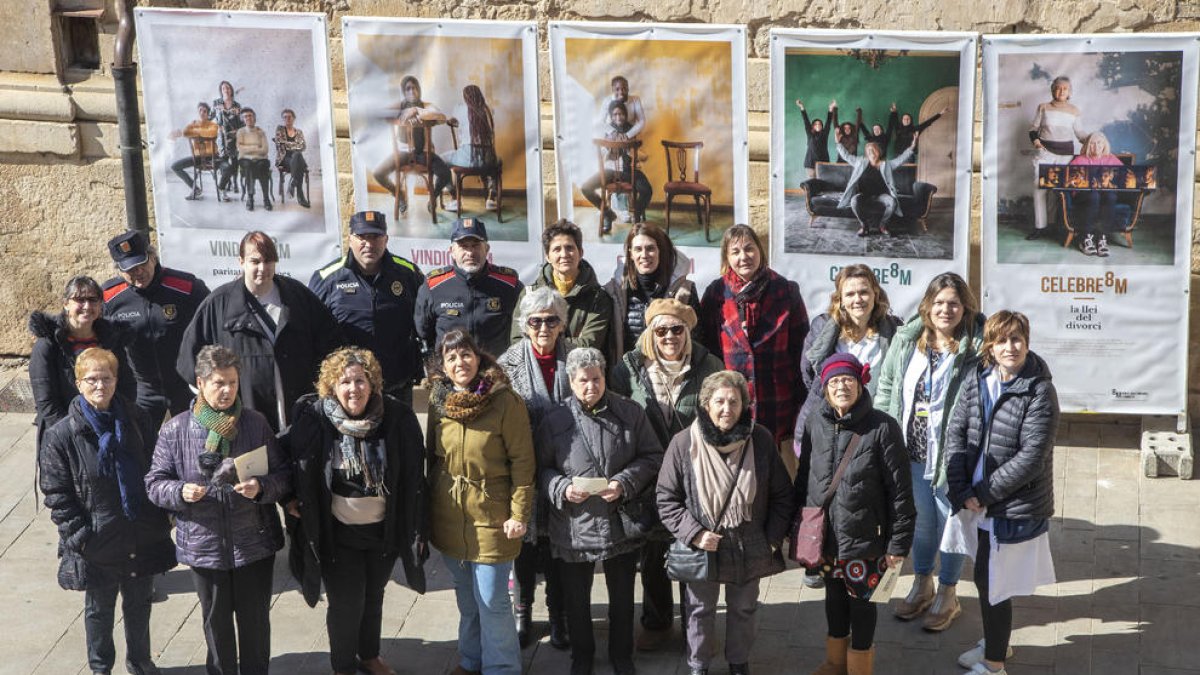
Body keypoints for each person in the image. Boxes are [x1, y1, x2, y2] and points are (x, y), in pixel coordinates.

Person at [146, 345, 291, 675]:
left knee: (255, 627)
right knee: (217, 627)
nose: (227, 391)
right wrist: (180, 491)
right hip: (205, 547)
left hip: (253, 544)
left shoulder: (255, 424)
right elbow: (154, 483)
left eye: (233, 383)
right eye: (219, 383)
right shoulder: (176, 430)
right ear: (200, 382)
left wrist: (262, 488)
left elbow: (284, 475)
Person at [286, 347, 428, 675]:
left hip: (383, 533)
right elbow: (287, 460)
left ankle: (369, 656)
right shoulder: (315, 418)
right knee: (347, 605)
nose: (354, 389)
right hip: (339, 536)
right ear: (331, 387)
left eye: (361, 380)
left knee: (374, 597)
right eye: (345, 381)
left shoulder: (396, 417)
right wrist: (290, 499)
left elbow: (412, 473)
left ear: (373, 383)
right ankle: (343, 667)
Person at [39, 348, 175, 675]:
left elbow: (157, 468)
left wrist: (162, 518)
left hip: (140, 532)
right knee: (99, 611)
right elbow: (57, 494)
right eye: (92, 379)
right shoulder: (62, 435)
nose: (100, 385)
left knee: (140, 605)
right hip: (97, 540)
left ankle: (141, 663)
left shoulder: (137, 419)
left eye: (107, 378)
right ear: (78, 384)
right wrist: (82, 538)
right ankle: (101, 668)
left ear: (117, 380)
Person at [656, 370, 794, 675]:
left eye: (734, 401)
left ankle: (738, 663)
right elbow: (666, 499)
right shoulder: (683, 444)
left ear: (744, 406)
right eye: (719, 401)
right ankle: (698, 666)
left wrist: (771, 539)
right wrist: (694, 534)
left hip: (750, 543)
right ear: (706, 405)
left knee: (743, 609)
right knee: (699, 611)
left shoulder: (760, 439)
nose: (726, 409)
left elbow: (783, 495)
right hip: (703, 545)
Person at [536, 347, 663, 675]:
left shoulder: (630, 412)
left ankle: (622, 655)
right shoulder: (554, 419)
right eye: (583, 381)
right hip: (572, 525)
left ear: (605, 377)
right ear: (571, 382)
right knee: (576, 601)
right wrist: (561, 488)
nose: (590, 386)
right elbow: (541, 468)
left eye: (596, 378)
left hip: (619, 521)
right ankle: (582, 656)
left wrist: (624, 482)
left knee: (622, 598)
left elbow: (652, 456)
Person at [945, 311, 1059, 675]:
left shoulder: (1040, 389)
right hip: (976, 501)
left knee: (994, 580)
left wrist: (982, 493)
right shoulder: (977, 377)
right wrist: (961, 487)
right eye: (1002, 340)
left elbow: (1031, 457)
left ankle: (993, 664)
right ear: (989, 346)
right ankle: (997, 643)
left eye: (1017, 339)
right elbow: (956, 433)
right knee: (986, 577)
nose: (1010, 347)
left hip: (1007, 504)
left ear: (1027, 342)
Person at [609, 298, 723, 652]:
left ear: (687, 332)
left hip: (695, 475)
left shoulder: (709, 366)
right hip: (648, 476)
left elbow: (723, 416)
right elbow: (613, 417)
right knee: (654, 552)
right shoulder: (629, 369)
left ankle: (695, 628)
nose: (669, 336)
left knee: (692, 550)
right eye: (661, 330)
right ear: (650, 333)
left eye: (677, 329)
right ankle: (657, 622)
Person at [874, 272, 983, 633]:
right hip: (911, 451)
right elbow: (887, 384)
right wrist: (886, 438)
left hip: (951, 457)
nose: (945, 309)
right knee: (921, 524)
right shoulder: (908, 341)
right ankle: (922, 583)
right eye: (938, 302)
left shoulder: (974, 349)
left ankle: (948, 593)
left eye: (953, 303)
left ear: (965, 307)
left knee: (950, 524)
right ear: (926, 306)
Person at [797, 353, 914, 675]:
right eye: (834, 381)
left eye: (848, 379)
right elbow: (804, 474)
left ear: (861, 383)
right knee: (834, 598)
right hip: (826, 536)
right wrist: (797, 525)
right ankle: (835, 662)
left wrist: (897, 545)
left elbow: (901, 492)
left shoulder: (883, 427)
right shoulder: (814, 422)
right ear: (824, 388)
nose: (841, 386)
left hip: (866, 538)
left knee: (862, 604)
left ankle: (860, 666)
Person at [426, 329, 534, 675]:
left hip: (493, 514)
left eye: (466, 354)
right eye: (452, 357)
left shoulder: (504, 400)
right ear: (443, 366)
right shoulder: (438, 401)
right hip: (450, 514)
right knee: (467, 601)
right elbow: (432, 457)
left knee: (493, 601)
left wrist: (519, 513)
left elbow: (523, 462)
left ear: (478, 356)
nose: (461, 362)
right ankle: (471, 660)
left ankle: (501, 667)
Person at [177, 230, 342, 433]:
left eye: (269, 261)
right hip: (245, 429)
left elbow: (332, 350)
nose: (262, 269)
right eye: (255, 261)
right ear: (241, 262)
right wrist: (216, 411)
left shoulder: (299, 297)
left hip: (303, 423)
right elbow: (190, 365)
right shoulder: (217, 305)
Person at [699, 225, 809, 478]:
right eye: (735, 251)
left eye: (749, 248)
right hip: (733, 408)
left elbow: (801, 354)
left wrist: (800, 405)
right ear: (726, 258)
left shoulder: (786, 291)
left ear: (760, 251)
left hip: (779, 406)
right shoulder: (716, 294)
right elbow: (708, 352)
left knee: (780, 488)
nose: (743, 256)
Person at [496, 287, 573, 650]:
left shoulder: (577, 358)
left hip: (565, 469)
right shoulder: (505, 364)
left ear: (562, 324)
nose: (544, 327)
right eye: (536, 321)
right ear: (525, 325)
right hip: (522, 470)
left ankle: (559, 614)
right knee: (523, 544)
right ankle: (522, 611)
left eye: (551, 320)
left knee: (559, 545)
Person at [310, 211, 424, 404]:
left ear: (386, 239)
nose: (369, 244)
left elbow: (425, 323)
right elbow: (312, 333)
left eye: (375, 237)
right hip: (348, 390)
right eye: (362, 237)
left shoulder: (408, 274)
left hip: (396, 388)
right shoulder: (327, 278)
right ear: (350, 238)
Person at [102, 230, 210, 429]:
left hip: (185, 386)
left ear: (153, 257)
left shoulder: (187, 287)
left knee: (194, 448)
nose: (138, 273)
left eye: (142, 264)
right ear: (118, 270)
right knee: (140, 449)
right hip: (143, 391)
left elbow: (211, 328)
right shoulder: (110, 297)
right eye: (130, 269)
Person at [30, 275, 136, 452]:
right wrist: (74, 433)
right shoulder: (48, 345)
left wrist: (119, 420)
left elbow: (126, 384)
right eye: (80, 299)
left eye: (93, 300)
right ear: (66, 304)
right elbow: (46, 402)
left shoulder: (111, 339)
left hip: (109, 428)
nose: (87, 306)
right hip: (65, 435)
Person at [414, 217, 523, 361]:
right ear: (452, 251)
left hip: (496, 374)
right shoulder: (434, 286)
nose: (470, 253)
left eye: (476, 245)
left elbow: (522, 329)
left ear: (487, 249)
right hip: (452, 374)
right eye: (464, 246)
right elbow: (423, 332)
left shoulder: (509, 284)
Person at [511, 220, 613, 361]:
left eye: (569, 248)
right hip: (538, 373)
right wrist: (571, 342)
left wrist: (543, 342)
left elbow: (589, 345)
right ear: (547, 256)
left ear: (581, 252)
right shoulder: (529, 294)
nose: (564, 254)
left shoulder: (598, 298)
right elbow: (518, 341)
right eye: (557, 249)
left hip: (580, 377)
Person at [602, 222, 701, 358]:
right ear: (630, 253)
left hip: (671, 376)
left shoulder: (684, 291)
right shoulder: (614, 292)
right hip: (626, 375)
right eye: (638, 249)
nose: (644, 255)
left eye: (650, 248)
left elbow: (696, 343)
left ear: (660, 250)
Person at [371, 75, 457, 215]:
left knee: (445, 173)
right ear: (404, 92)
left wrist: (416, 110)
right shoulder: (400, 105)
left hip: (423, 153)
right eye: (408, 89)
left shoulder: (426, 105)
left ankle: (433, 197)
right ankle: (400, 195)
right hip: (402, 153)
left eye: (415, 88)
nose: (412, 91)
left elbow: (441, 116)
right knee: (378, 173)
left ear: (419, 90)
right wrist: (402, 112)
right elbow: (381, 113)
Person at [1027, 75, 1089, 241]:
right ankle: (1040, 227)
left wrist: (1093, 141)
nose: (1061, 91)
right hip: (1045, 153)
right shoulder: (1043, 107)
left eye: (1065, 88)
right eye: (1058, 87)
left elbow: (1080, 133)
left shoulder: (1074, 110)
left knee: (1057, 191)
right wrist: (1036, 141)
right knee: (1039, 189)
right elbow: (1033, 129)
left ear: (1069, 92)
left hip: (1066, 156)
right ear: (1052, 89)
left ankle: (1053, 226)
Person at [581, 100, 653, 234]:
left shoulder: (632, 130)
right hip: (610, 172)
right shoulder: (607, 131)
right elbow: (599, 154)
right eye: (614, 115)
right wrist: (609, 147)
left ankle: (636, 216)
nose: (618, 117)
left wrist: (630, 149)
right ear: (611, 116)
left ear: (625, 115)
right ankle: (608, 213)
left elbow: (644, 157)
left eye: (621, 114)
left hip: (629, 171)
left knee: (647, 190)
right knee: (586, 187)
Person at [835, 133, 918, 237]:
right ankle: (864, 226)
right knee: (854, 201)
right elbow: (846, 156)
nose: (871, 152)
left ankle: (882, 225)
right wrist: (838, 143)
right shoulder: (860, 162)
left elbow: (901, 159)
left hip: (881, 196)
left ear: (878, 152)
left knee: (892, 202)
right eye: (869, 150)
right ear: (866, 153)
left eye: (873, 149)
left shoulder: (887, 164)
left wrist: (912, 146)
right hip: (864, 195)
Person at [1068, 131, 1124, 257]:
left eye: (1099, 143)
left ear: (1104, 145)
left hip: (1105, 195)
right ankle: (1085, 239)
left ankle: (1102, 239)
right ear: (1088, 145)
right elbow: (1069, 182)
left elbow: (1124, 177)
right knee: (1094, 195)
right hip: (1083, 196)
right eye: (1092, 143)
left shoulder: (1111, 159)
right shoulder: (1080, 160)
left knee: (1110, 196)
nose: (1096, 146)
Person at [445, 84, 500, 211]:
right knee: (497, 163)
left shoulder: (460, 108)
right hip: (487, 158)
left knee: (441, 161)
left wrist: (452, 122)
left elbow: (452, 121)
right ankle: (491, 198)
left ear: (465, 98)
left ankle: (454, 198)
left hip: (467, 157)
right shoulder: (488, 109)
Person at [168, 101, 220, 200]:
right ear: (198, 112)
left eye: (205, 111)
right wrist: (199, 131)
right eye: (200, 110)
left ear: (208, 113)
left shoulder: (213, 125)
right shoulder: (193, 123)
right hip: (198, 157)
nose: (202, 113)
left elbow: (212, 133)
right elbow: (186, 132)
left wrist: (196, 131)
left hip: (211, 157)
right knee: (175, 166)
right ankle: (195, 189)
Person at [236, 107, 272, 212]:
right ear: (243, 119)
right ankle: (250, 197)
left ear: (254, 118)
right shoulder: (241, 132)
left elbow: (265, 149)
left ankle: (266, 198)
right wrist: (256, 148)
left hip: (261, 160)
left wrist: (249, 150)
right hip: (245, 160)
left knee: (263, 166)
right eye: (245, 116)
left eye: (250, 115)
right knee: (249, 165)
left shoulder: (261, 132)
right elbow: (240, 149)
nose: (248, 118)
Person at [210, 80, 244, 191]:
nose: (226, 90)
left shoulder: (237, 105)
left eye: (228, 88)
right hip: (221, 137)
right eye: (224, 88)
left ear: (231, 90)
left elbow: (241, 122)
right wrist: (217, 126)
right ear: (221, 90)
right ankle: (227, 182)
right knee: (223, 160)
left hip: (234, 137)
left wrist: (238, 131)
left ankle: (234, 183)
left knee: (235, 161)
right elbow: (210, 118)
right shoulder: (216, 103)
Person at [274, 108, 310, 208]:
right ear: (283, 119)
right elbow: (280, 145)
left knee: (297, 156)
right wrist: (295, 145)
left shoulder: (299, 132)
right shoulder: (280, 130)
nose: (287, 119)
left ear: (294, 118)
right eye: (285, 117)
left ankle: (293, 181)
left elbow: (303, 146)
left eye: (289, 117)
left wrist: (288, 145)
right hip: (284, 160)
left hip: (296, 161)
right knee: (298, 156)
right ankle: (300, 196)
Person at [796, 99, 834, 178]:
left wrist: (831, 109)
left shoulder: (824, 134)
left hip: (823, 163)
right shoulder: (810, 134)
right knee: (811, 184)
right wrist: (802, 107)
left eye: (819, 124)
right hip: (810, 163)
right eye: (815, 124)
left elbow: (828, 122)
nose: (817, 125)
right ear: (813, 126)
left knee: (822, 183)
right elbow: (806, 120)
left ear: (822, 126)